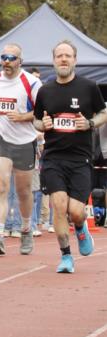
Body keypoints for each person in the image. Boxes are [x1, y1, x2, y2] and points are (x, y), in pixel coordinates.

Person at [33, 41, 107, 273]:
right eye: (59, 56)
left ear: (75, 60)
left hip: (80, 158)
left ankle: (81, 227)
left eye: (68, 55)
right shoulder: (45, 90)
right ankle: (66, 256)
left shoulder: (89, 87)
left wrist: (90, 123)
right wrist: (41, 124)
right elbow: (36, 119)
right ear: (54, 60)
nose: (63, 59)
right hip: (54, 158)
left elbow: (104, 111)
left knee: (75, 211)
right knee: (58, 205)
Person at [0, 43, 42, 256]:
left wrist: (24, 116)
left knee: (24, 192)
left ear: (20, 61)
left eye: (12, 58)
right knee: (0, 185)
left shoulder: (32, 83)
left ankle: (26, 229)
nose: (7, 61)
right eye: (4, 57)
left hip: (25, 142)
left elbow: (42, 112)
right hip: (0, 139)